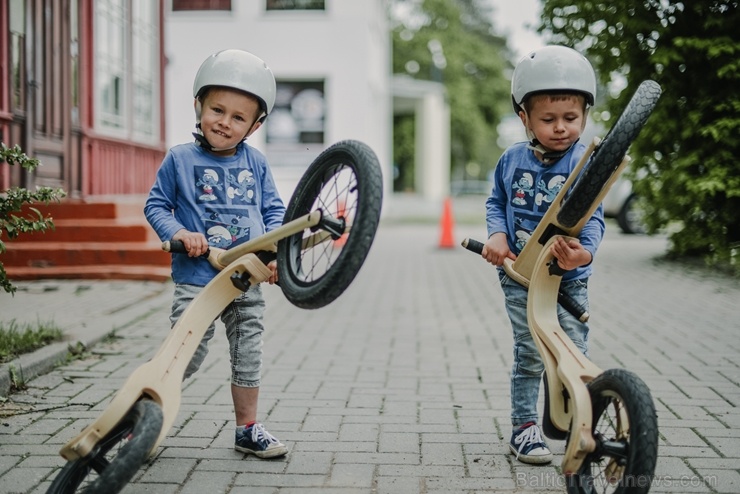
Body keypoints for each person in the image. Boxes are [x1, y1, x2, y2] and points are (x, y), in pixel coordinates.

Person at [144, 49, 288, 459]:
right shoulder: (180, 158)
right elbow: (156, 206)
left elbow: (275, 212)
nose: (225, 122)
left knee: (247, 352)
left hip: (247, 276)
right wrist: (181, 233)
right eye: (217, 110)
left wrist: (274, 254)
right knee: (184, 353)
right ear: (198, 106)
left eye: (238, 117)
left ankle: (247, 428)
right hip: (197, 277)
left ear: (255, 125)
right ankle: (145, 419)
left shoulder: (256, 163)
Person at [482, 45, 605, 464]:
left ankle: (574, 423)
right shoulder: (511, 159)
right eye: (547, 119)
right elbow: (496, 202)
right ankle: (524, 429)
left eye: (570, 119)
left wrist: (584, 255)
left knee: (573, 349)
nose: (560, 128)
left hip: (569, 278)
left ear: (584, 115)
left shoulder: (586, 162)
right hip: (520, 274)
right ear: (524, 118)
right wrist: (497, 236)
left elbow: (594, 218)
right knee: (531, 351)